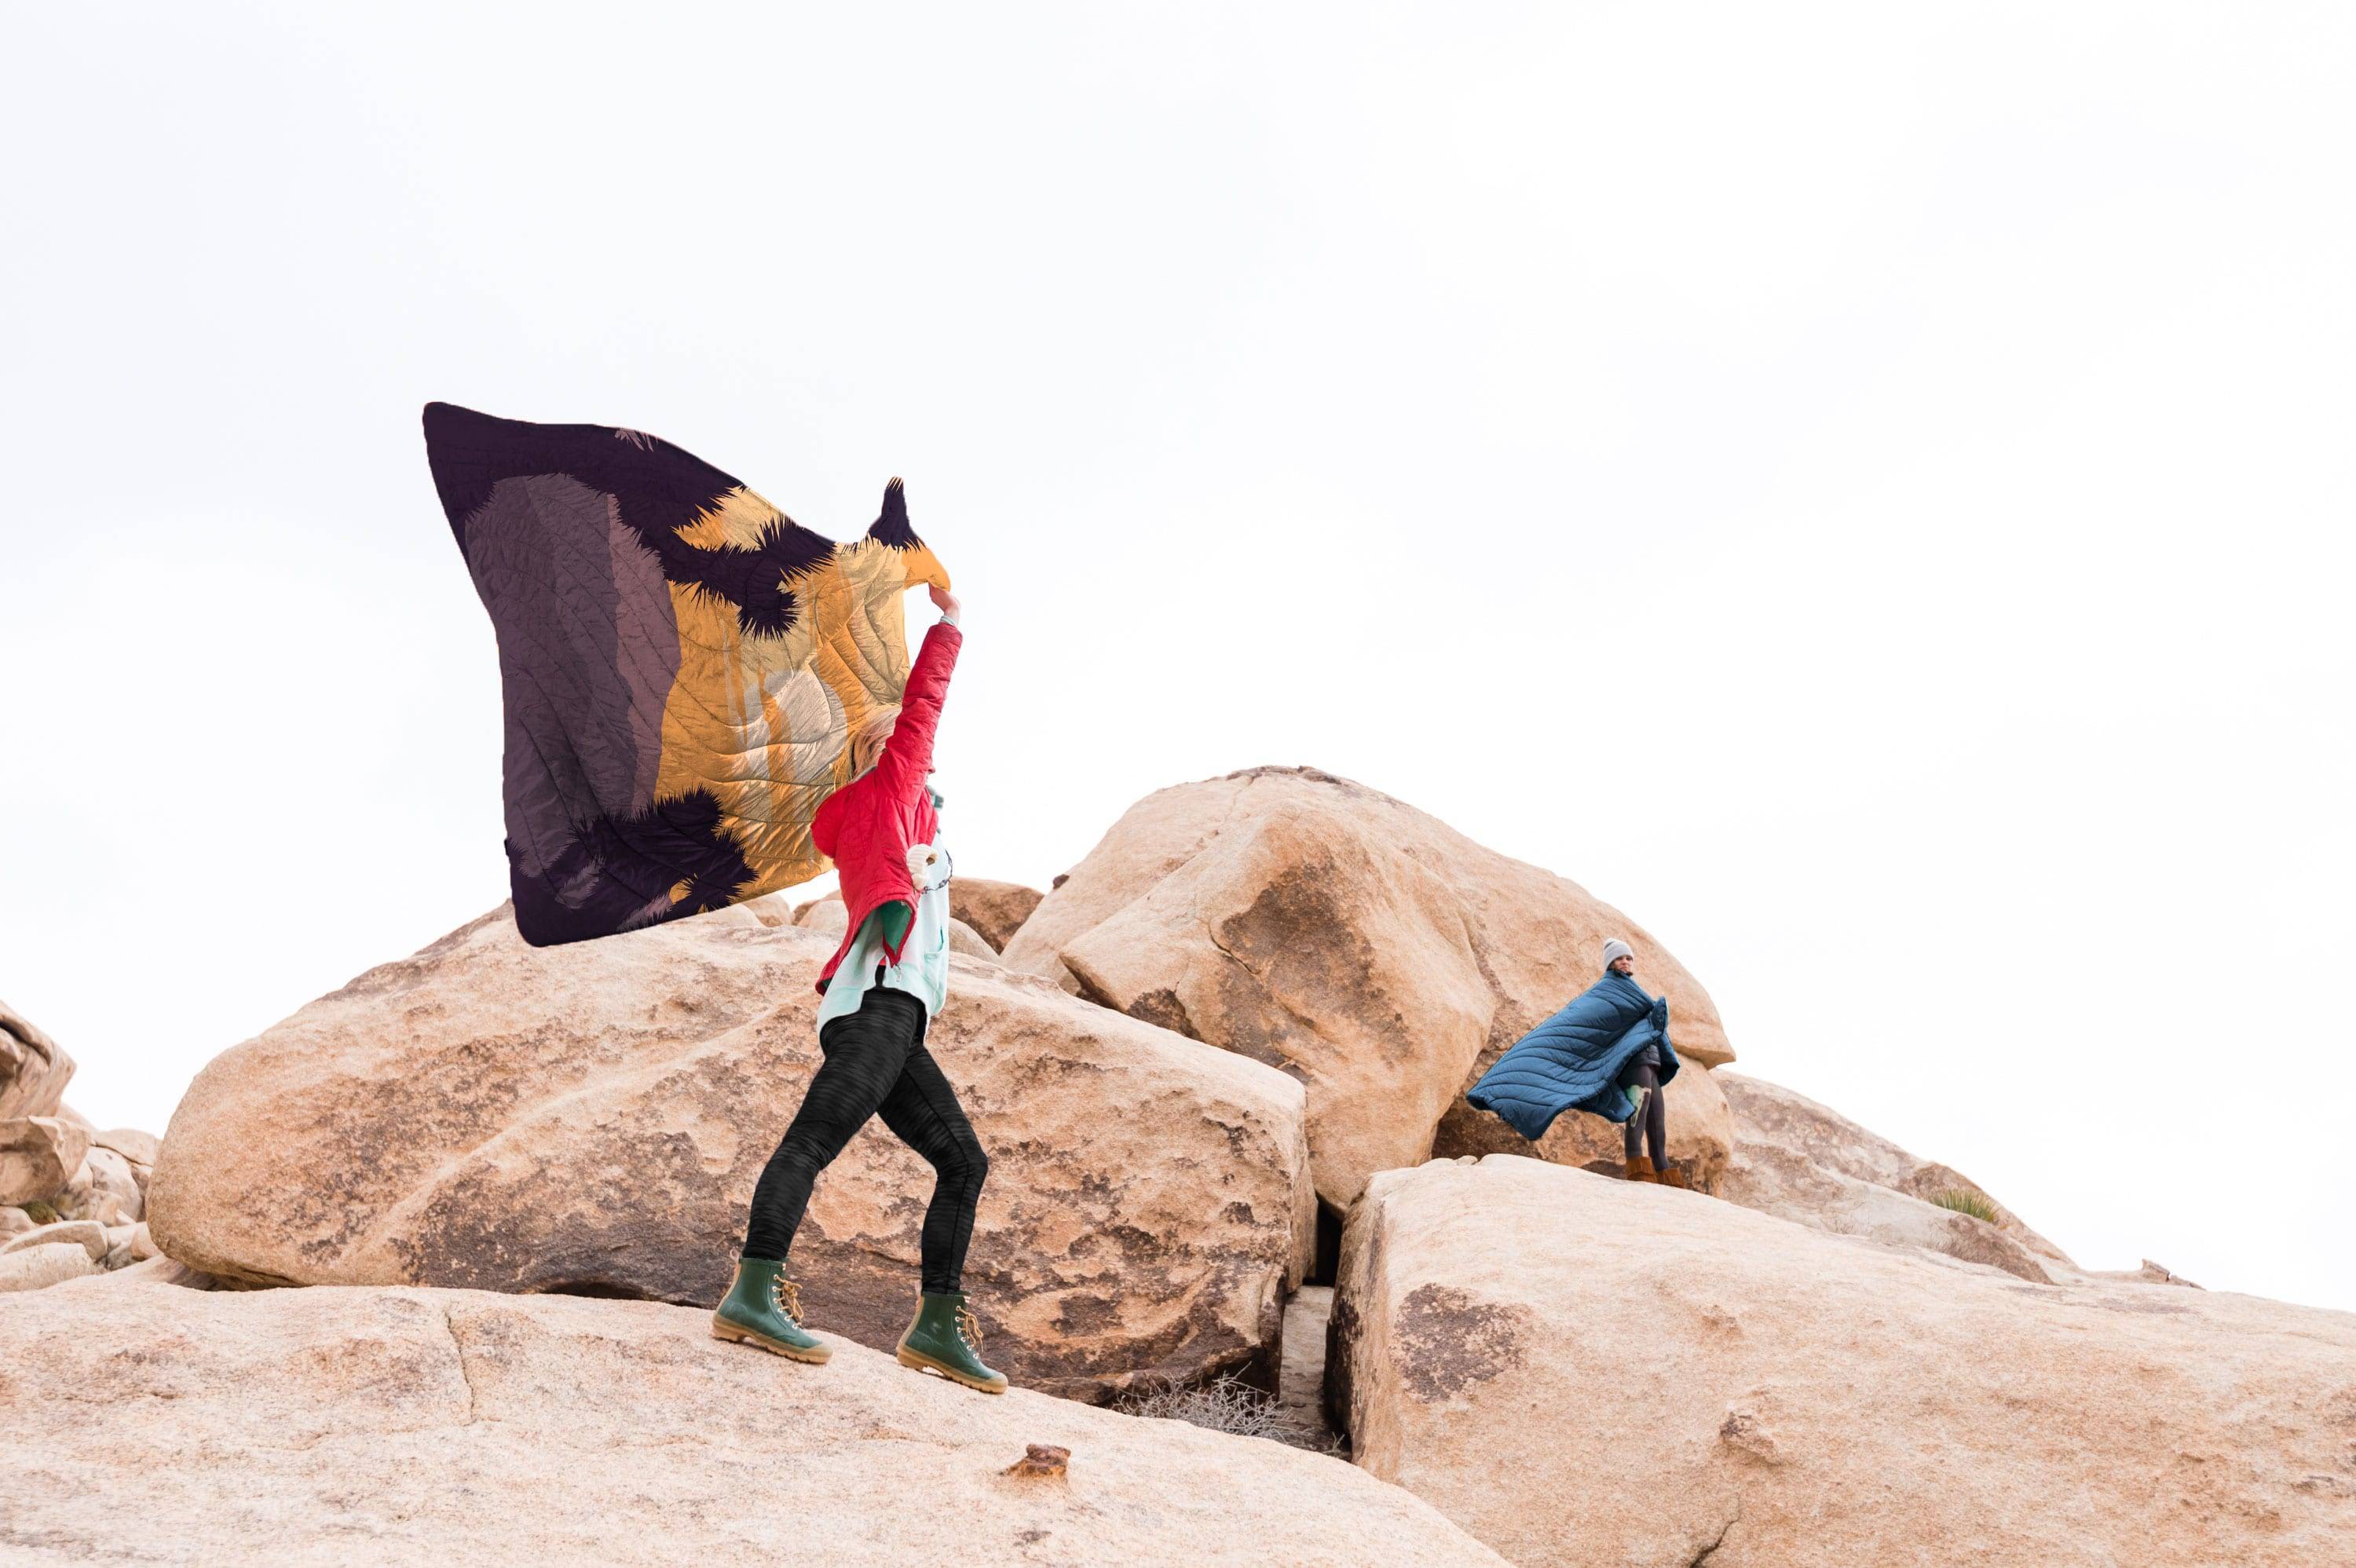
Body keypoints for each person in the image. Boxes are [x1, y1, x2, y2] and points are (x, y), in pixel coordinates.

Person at [711, 584, 1008, 1394]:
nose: (928, 757)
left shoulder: (902, 818)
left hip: (895, 1020)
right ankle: (752, 1290)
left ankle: (937, 1325)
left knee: (963, 1159)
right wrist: (949, 625)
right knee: (813, 1140)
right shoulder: (887, 789)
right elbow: (922, 711)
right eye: (913, 748)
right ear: (890, 753)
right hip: (875, 1005)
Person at [1463, 935, 1688, 1188]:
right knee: (1638, 1115)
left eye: (1628, 958)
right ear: (1610, 964)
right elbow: (1579, 1024)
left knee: (1657, 1120)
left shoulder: (1635, 993)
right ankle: (1637, 1168)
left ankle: (1664, 1172)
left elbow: (1652, 1027)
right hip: (1634, 1065)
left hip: (1652, 1063)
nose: (1625, 962)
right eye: (1619, 959)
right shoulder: (1609, 990)